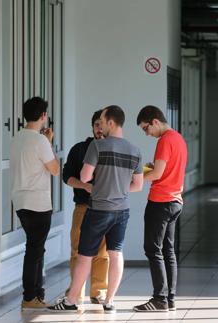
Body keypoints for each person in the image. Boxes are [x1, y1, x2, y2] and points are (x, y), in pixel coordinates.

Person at [49, 105, 143, 313]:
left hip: (99, 209)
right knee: (115, 253)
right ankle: (109, 301)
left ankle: (71, 300)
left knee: (85, 255)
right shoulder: (134, 149)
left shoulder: (97, 147)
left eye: (102, 121)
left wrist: (99, 183)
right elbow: (138, 186)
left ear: (110, 122)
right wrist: (117, 187)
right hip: (122, 211)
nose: (100, 126)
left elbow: (84, 177)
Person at [133, 105, 188, 312]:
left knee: (152, 249)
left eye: (146, 128)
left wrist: (135, 179)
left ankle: (159, 299)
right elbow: (166, 169)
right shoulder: (178, 139)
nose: (147, 133)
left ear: (155, 121)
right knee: (168, 250)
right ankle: (170, 298)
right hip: (175, 201)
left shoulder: (165, 140)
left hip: (160, 201)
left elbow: (157, 175)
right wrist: (153, 168)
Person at [10, 97, 60, 310]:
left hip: (21, 201)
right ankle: (30, 297)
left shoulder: (16, 138)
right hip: (38, 202)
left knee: (35, 248)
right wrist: (49, 142)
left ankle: (37, 295)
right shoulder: (40, 141)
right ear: (43, 116)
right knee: (35, 249)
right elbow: (55, 170)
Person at [62, 109, 108, 304]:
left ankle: (98, 292)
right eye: (96, 124)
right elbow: (67, 177)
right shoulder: (79, 149)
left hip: (106, 208)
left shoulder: (114, 149)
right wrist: (85, 186)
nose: (99, 128)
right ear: (92, 126)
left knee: (102, 253)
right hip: (82, 207)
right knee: (77, 250)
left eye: (102, 124)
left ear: (110, 126)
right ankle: (76, 291)